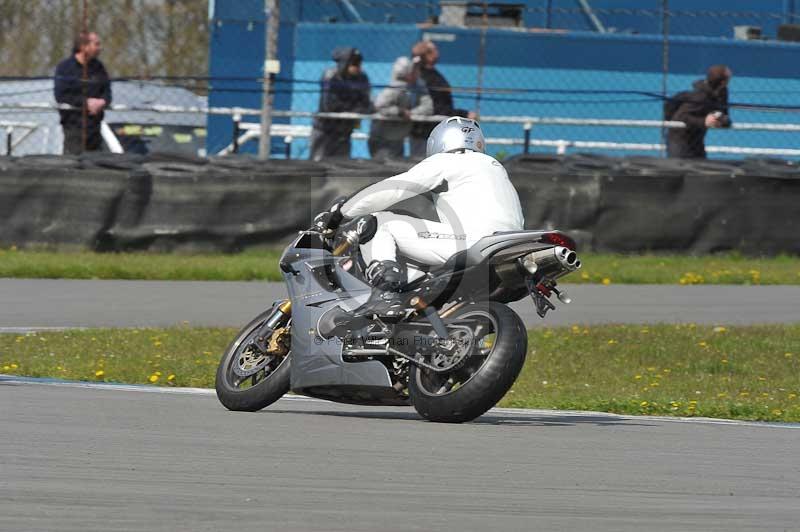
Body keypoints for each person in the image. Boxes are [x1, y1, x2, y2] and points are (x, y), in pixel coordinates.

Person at [319, 116, 523, 293]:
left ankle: (385, 281)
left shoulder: (447, 160)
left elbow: (392, 190)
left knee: (379, 223)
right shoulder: (495, 167)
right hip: (511, 244)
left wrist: (340, 213)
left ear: (439, 141)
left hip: (475, 241)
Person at [409, 40, 475, 158]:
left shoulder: (430, 74)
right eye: (434, 50)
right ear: (427, 55)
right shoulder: (426, 78)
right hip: (426, 131)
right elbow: (437, 106)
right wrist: (463, 114)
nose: (437, 52)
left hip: (433, 130)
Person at [309, 47, 373, 161]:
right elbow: (329, 106)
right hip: (325, 130)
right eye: (354, 64)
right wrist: (353, 108)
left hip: (344, 132)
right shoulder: (331, 76)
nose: (357, 67)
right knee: (318, 164)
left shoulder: (362, 78)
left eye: (359, 64)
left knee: (340, 166)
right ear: (345, 63)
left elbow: (366, 104)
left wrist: (353, 109)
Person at [54, 31, 111, 155]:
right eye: (96, 44)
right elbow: (61, 96)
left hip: (94, 127)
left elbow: (107, 92)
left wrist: (102, 102)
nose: (99, 48)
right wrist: (86, 103)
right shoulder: (65, 68)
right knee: (74, 164)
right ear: (83, 47)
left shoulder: (99, 68)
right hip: (74, 126)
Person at [368, 56, 433, 160]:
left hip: (398, 138)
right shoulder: (394, 88)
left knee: (396, 170)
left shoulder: (418, 87)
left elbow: (428, 107)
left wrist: (410, 113)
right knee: (383, 170)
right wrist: (399, 112)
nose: (417, 71)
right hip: (382, 139)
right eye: (414, 68)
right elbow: (380, 105)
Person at [666, 65, 732, 159]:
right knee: (678, 168)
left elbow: (723, 112)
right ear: (723, 82)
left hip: (697, 137)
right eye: (728, 79)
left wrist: (723, 120)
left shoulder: (722, 93)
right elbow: (681, 116)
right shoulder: (700, 96)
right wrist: (704, 121)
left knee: (700, 167)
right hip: (679, 138)